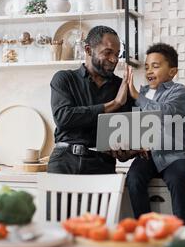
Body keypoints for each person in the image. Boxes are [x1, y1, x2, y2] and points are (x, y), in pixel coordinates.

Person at [48, 26, 134, 175]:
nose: (114, 59)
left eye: (117, 54)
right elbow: (64, 117)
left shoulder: (121, 87)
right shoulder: (64, 79)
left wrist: (127, 152)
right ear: (88, 50)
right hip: (65, 161)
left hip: (102, 165)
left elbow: (127, 138)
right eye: (107, 53)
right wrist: (115, 104)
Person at [125, 43, 185, 225]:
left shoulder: (178, 91)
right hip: (148, 154)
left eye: (155, 66)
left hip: (174, 154)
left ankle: (182, 231)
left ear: (172, 72)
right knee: (133, 178)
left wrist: (137, 97)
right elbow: (136, 125)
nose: (149, 71)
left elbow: (167, 112)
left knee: (178, 178)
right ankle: (145, 227)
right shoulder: (143, 92)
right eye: (147, 67)